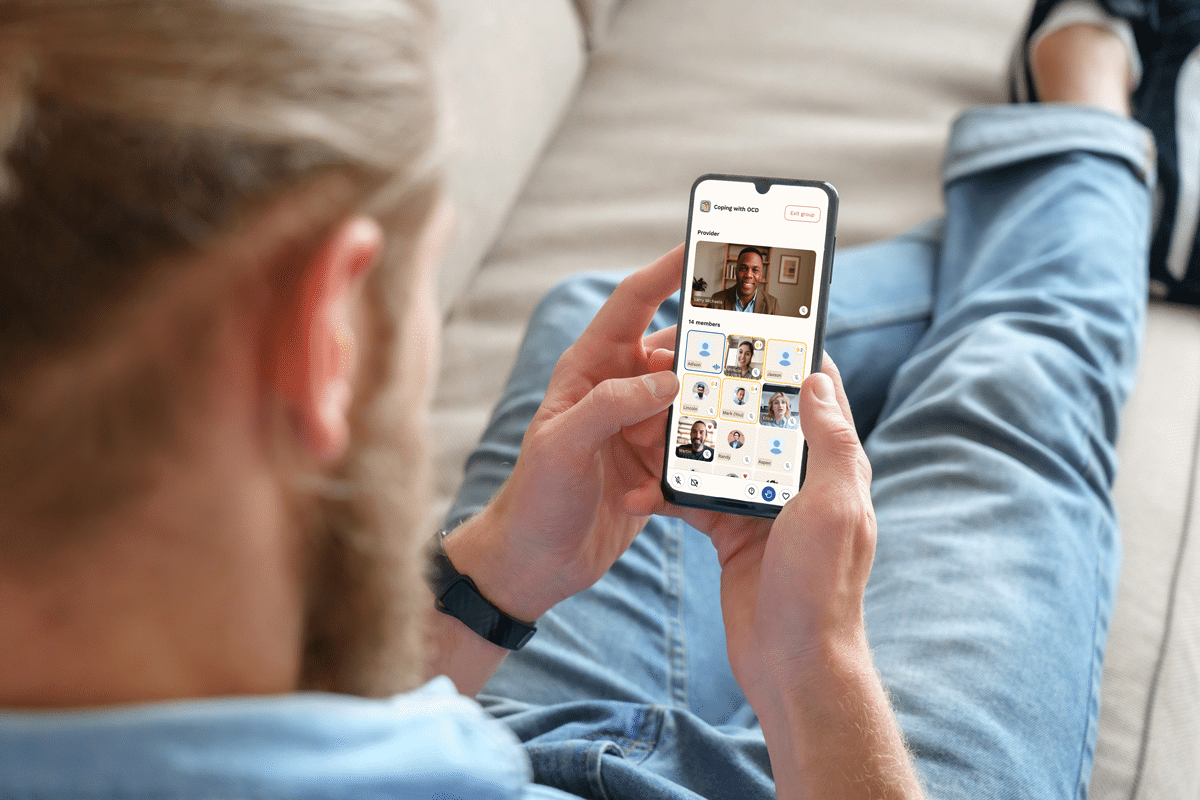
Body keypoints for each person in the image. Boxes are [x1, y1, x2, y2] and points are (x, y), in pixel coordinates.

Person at [1, 3, 1196, 800]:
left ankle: (1050, 189)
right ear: (320, 337)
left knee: (630, 331)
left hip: (486, 700)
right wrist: (816, 668)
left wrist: (492, 579)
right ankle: (1082, 106)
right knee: (1008, 392)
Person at [709, 247, 782, 314]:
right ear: (735, 272)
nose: (748, 275)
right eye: (743, 268)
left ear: (760, 275)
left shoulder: (773, 305)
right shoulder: (716, 300)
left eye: (755, 270)